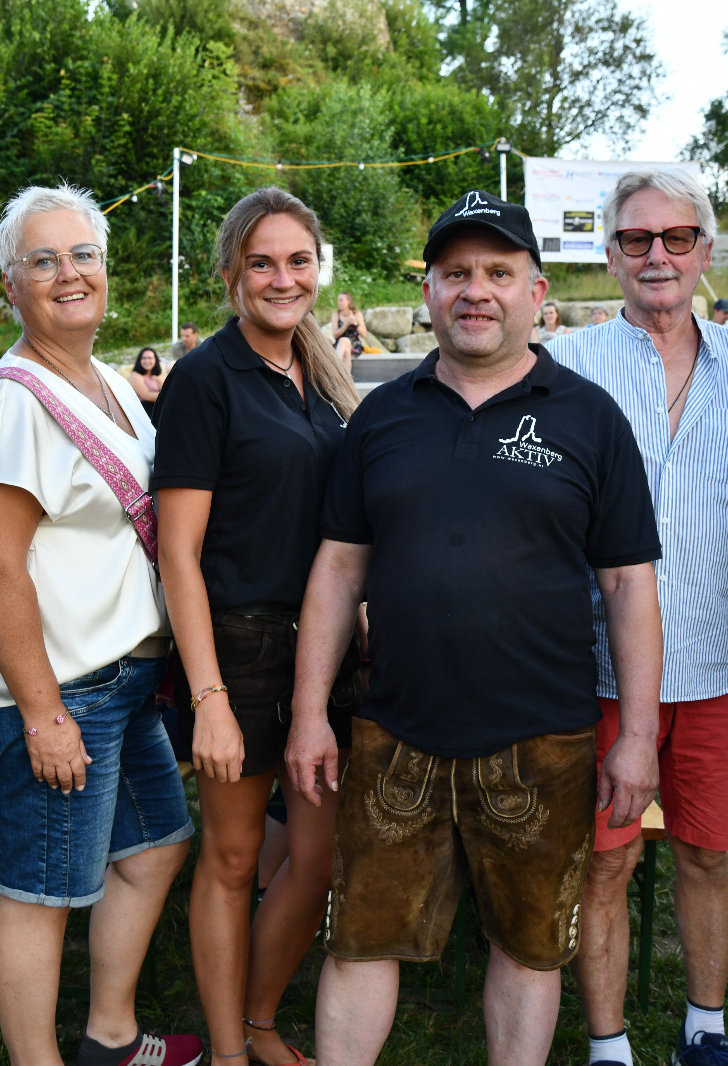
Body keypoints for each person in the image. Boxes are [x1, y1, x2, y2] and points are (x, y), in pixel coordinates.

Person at [285, 190, 665, 1066]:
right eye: (456, 273)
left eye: (498, 272)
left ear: (537, 293)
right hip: (395, 731)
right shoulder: (382, 415)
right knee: (362, 941)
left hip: (542, 741)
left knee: (529, 948)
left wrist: (638, 736)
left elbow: (628, 584)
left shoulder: (589, 417)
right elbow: (338, 571)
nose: (476, 291)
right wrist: (309, 713)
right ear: (429, 291)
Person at [0, 184, 200, 1066]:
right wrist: (41, 713)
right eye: (44, 260)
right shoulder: (13, 400)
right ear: (10, 286)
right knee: (41, 893)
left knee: (156, 847)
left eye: (83, 254)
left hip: (121, 679)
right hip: (60, 690)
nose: (70, 273)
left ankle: (110, 1038)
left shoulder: (111, 384)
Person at [549, 169, 728, 1066]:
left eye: (677, 238)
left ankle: (704, 1030)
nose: (658, 255)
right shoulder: (566, 363)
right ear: (610, 255)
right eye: (637, 239)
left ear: (704, 251)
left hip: (719, 659)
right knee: (607, 860)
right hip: (599, 669)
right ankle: (609, 1045)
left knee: (706, 855)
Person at [152, 187, 363, 1066]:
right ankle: (231, 1052)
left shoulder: (323, 371)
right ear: (231, 273)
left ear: (319, 269)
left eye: (298, 261)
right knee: (235, 858)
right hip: (238, 646)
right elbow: (177, 554)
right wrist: (207, 698)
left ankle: (259, 1017)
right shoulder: (205, 380)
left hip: (327, 647)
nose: (283, 279)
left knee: (316, 858)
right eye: (262, 262)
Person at [128, 346, 165, 423]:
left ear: (155, 360)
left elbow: (167, 390)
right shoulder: (135, 375)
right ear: (139, 360)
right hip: (143, 409)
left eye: (150, 358)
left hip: (157, 406)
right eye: (144, 358)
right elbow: (146, 396)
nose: (147, 361)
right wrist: (166, 396)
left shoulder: (158, 376)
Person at [329, 291, 369, 355]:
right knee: (345, 347)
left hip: (354, 344)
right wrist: (346, 324)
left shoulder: (357, 314)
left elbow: (364, 335)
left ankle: (336, 361)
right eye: (338, 300)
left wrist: (355, 323)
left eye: (341, 300)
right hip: (340, 344)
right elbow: (335, 335)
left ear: (349, 301)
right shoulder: (336, 315)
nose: (338, 302)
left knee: (343, 342)